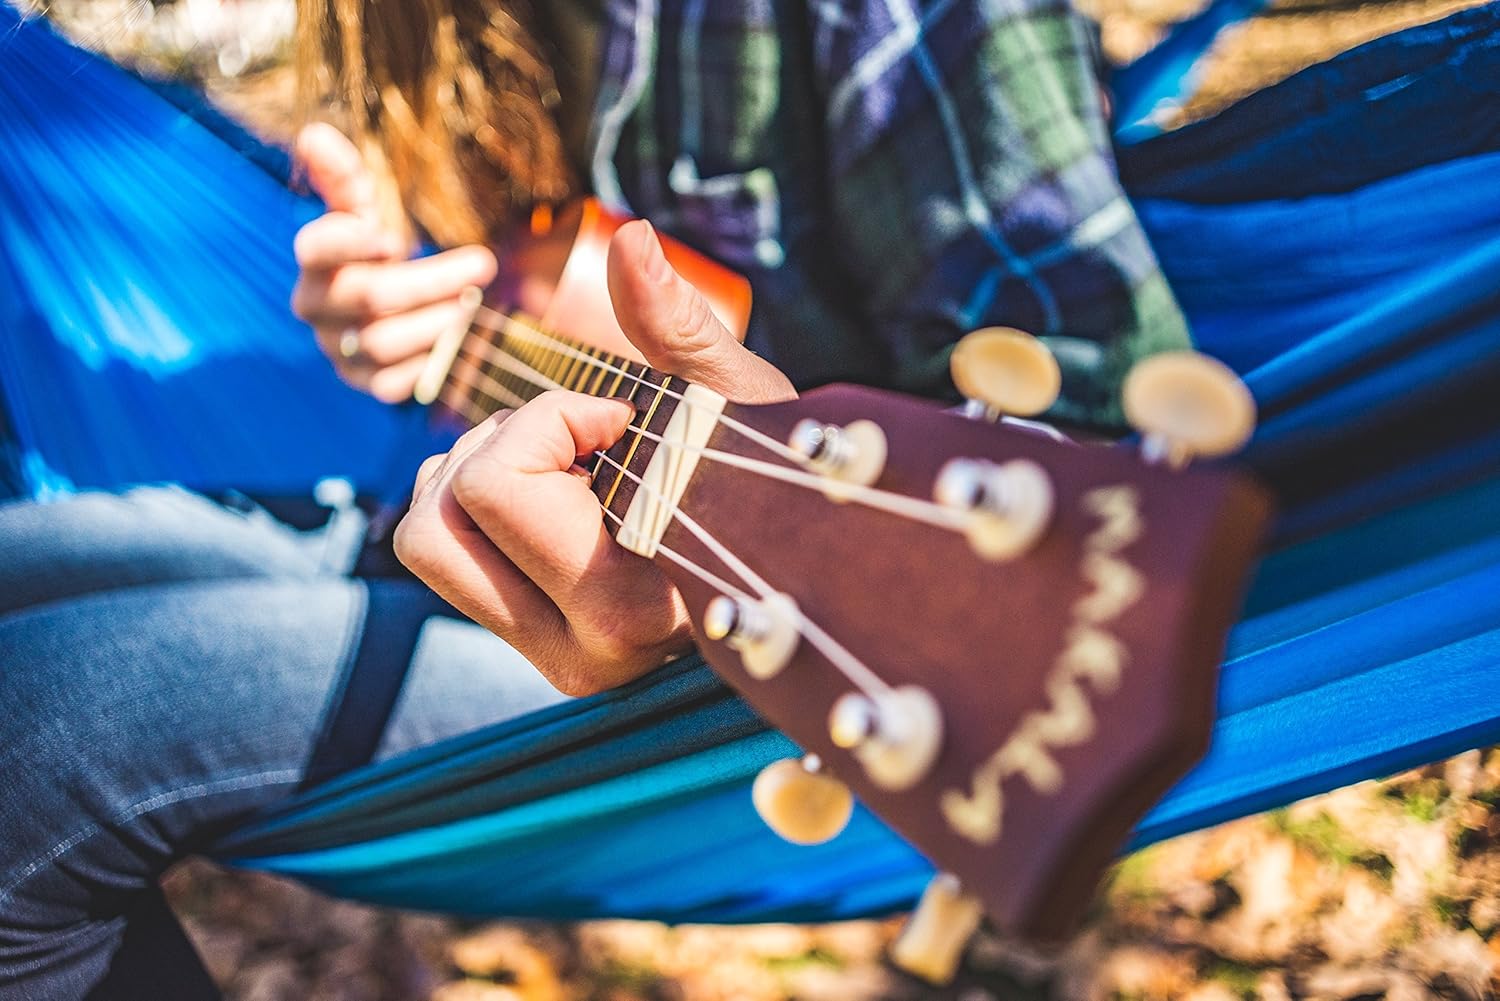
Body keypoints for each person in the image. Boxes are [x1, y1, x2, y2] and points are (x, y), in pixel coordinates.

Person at [0, 0, 1186, 997]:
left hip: (784, 655)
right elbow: (510, 301)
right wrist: (399, 316)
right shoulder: (425, 24)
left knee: (32, 738)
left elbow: (1100, 422)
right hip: (471, 533)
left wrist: (772, 486)